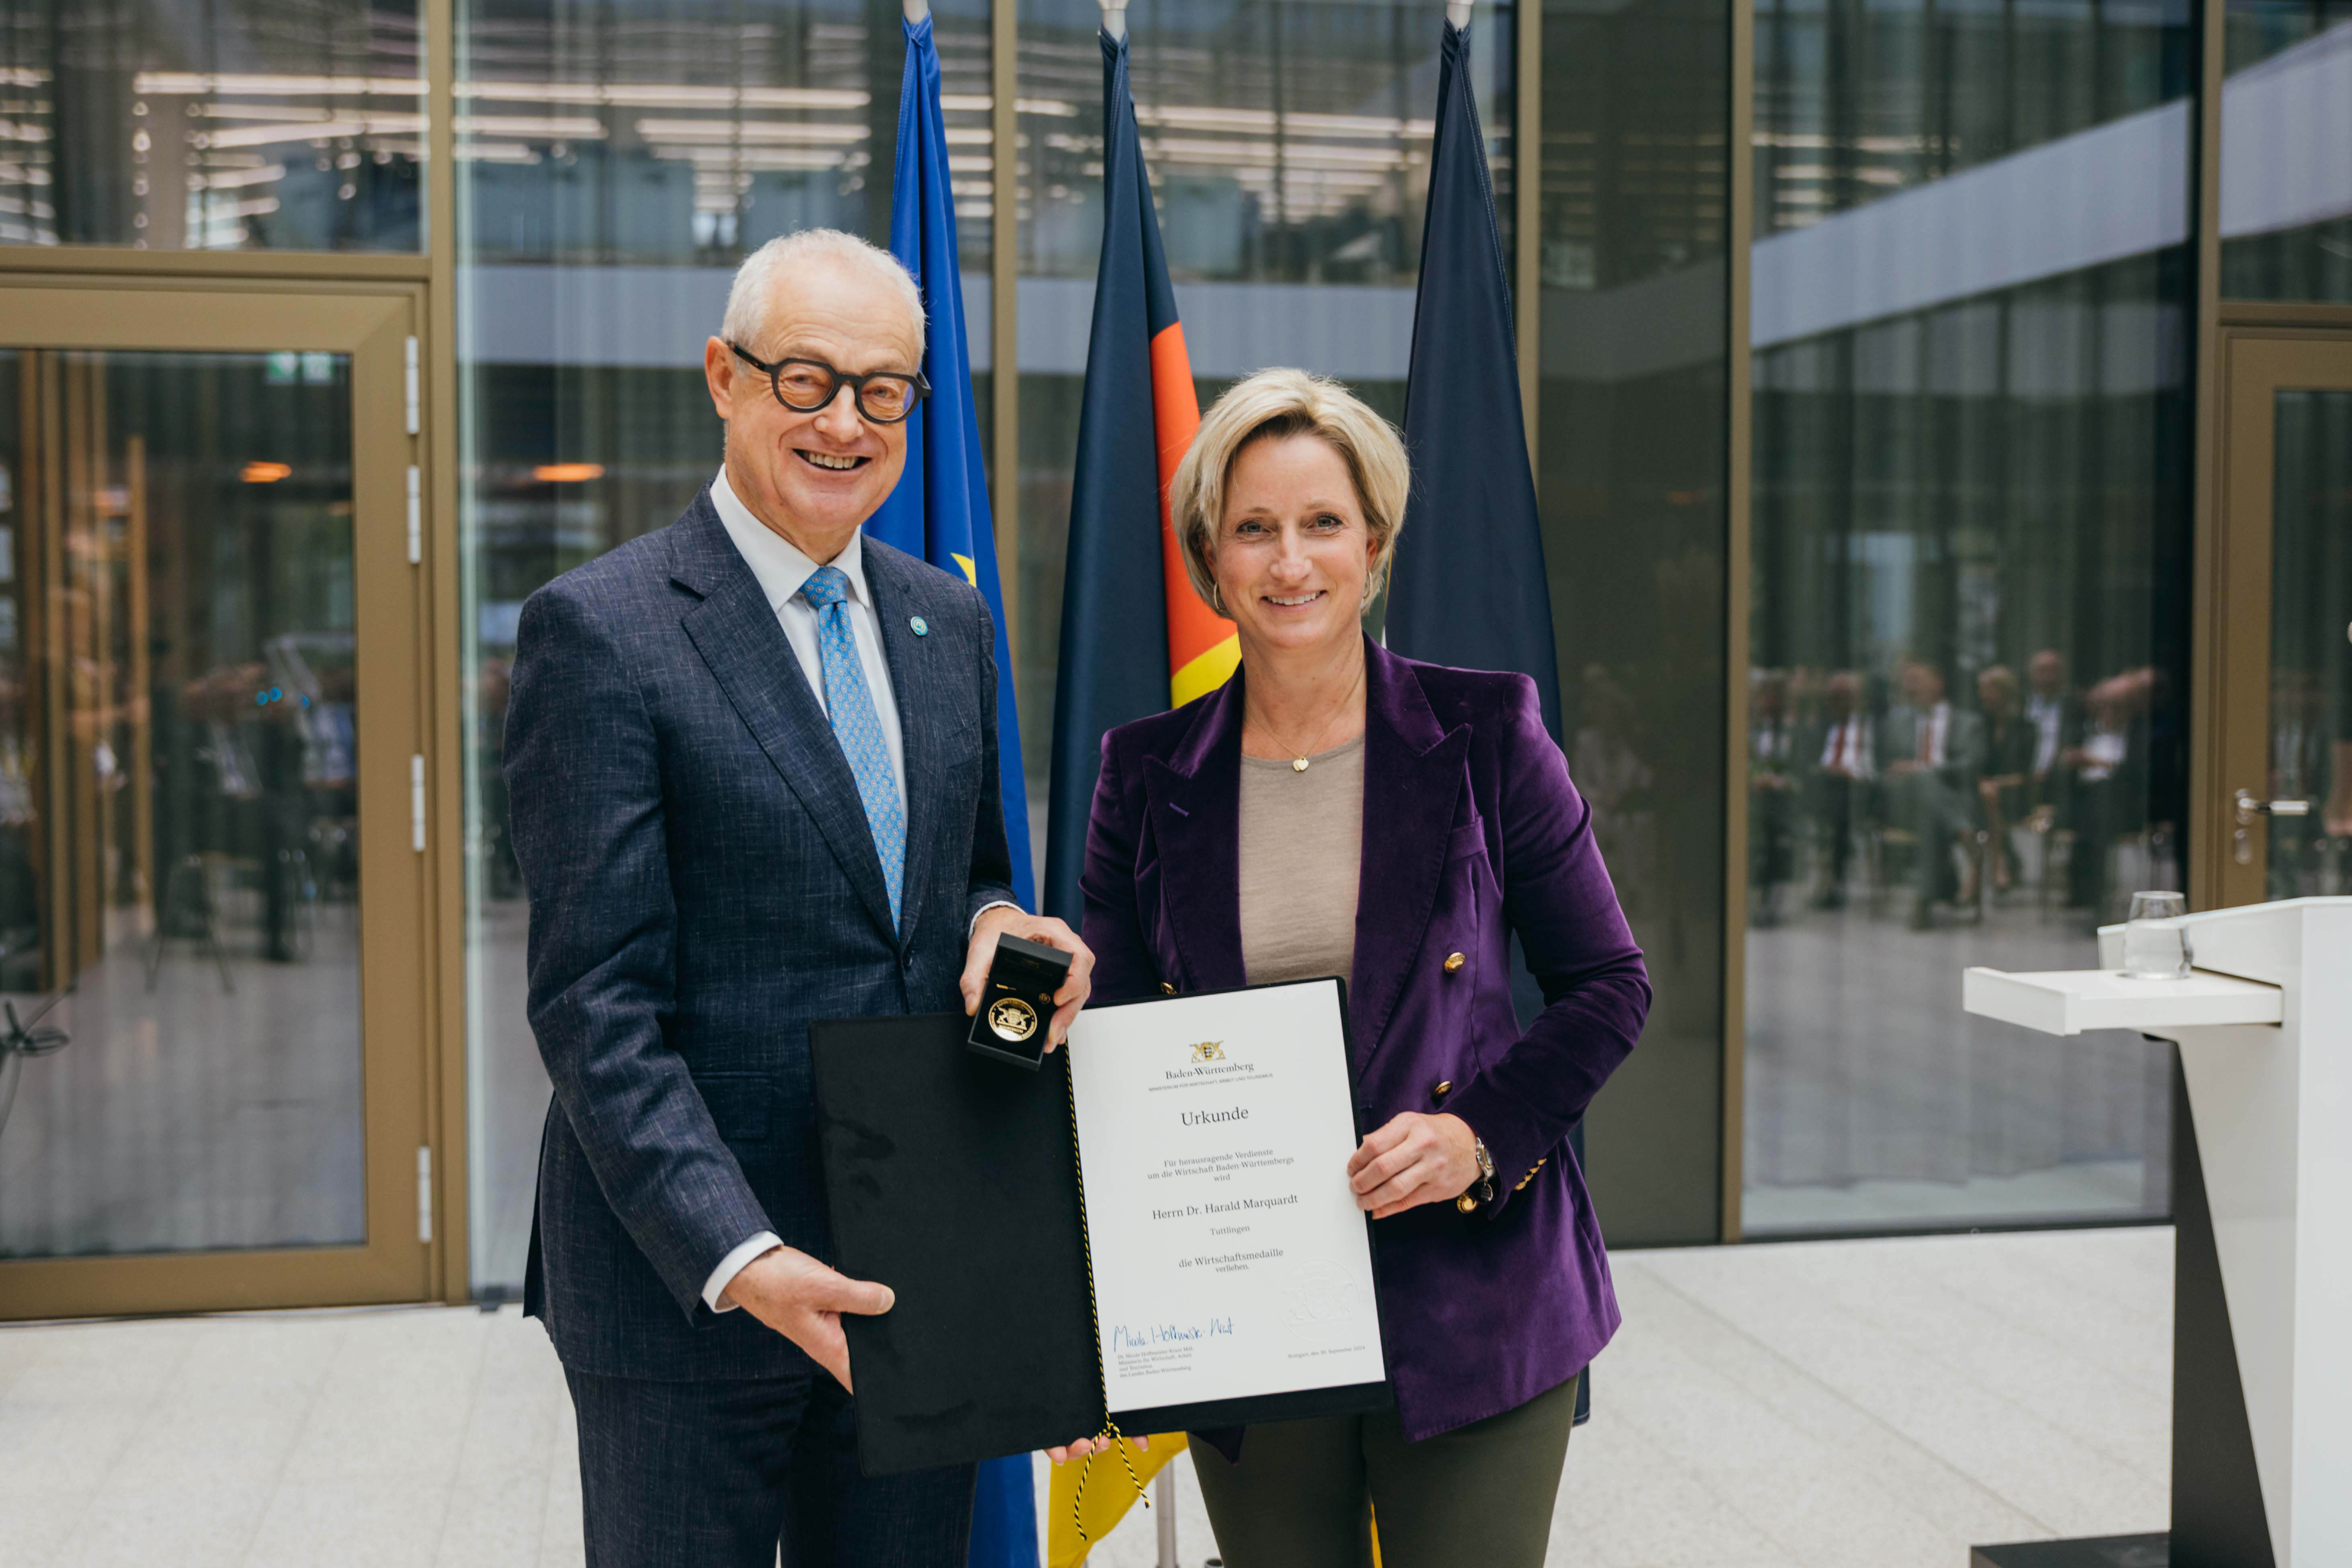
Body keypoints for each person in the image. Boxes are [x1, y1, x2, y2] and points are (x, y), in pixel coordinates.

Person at [503, 228, 1101, 1568]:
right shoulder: (601, 631)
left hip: (911, 1253)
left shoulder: (946, 624)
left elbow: (967, 880)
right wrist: (742, 1254)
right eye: (805, 379)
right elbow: (594, 1003)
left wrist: (1005, 940)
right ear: (723, 375)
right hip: (693, 1283)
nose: (845, 420)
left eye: (881, 388)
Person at [1078, 368, 1652, 1568]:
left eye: (1321, 523)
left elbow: (1606, 983)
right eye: (1254, 528)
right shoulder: (1142, 775)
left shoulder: (1486, 729)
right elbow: (1115, 1057)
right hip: (1245, 1303)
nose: (1290, 563)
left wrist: (1477, 1135)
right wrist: (1110, 1315)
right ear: (1210, 558)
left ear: (1373, 542)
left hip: (1471, 1288)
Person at [1879, 659, 1984, 928]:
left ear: (1938, 682)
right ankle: (1964, 835)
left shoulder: (1968, 722)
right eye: (1906, 681)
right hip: (1902, 803)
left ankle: (1923, 901)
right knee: (1922, 784)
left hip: (1947, 799)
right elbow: (1884, 764)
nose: (1909, 686)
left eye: (1916, 679)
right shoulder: (1895, 721)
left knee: (1929, 811)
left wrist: (1926, 769)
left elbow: (1971, 765)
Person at [1810, 669, 1873, 908]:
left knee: (1839, 802)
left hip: (1858, 793)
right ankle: (1831, 879)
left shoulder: (1869, 728)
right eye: (1834, 697)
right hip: (1826, 790)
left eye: (1844, 696)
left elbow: (1874, 769)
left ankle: (1834, 882)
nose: (1838, 703)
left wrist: (1851, 773)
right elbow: (1812, 765)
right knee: (1832, 796)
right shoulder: (1822, 728)